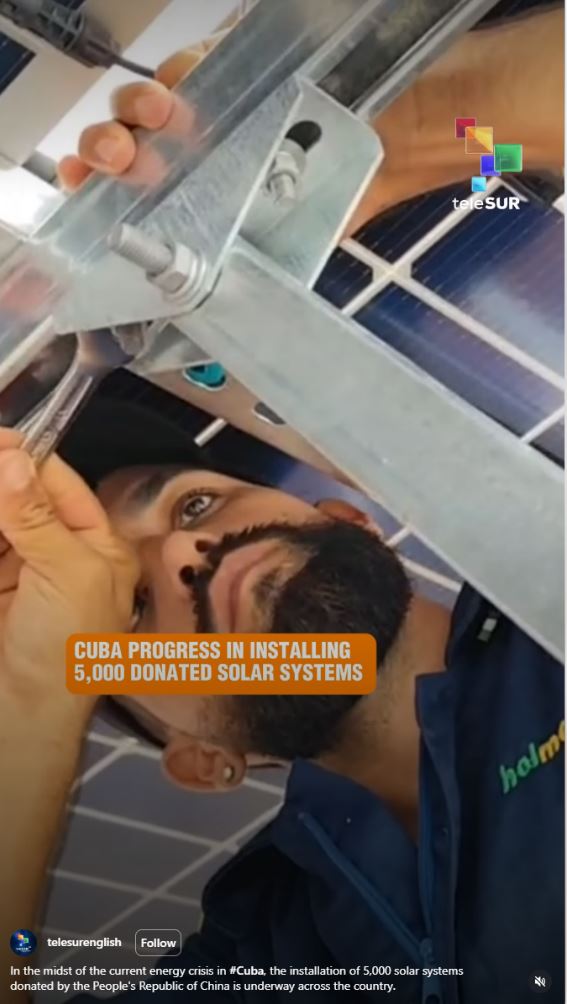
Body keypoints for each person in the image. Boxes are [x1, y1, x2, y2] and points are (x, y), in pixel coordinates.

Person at [1, 3, 564, 1001]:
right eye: (130, 611)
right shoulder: (273, 945)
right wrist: (38, 689)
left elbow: (511, 139)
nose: (184, 557)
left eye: (190, 507)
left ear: (344, 521)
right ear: (204, 761)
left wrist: (401, 134)